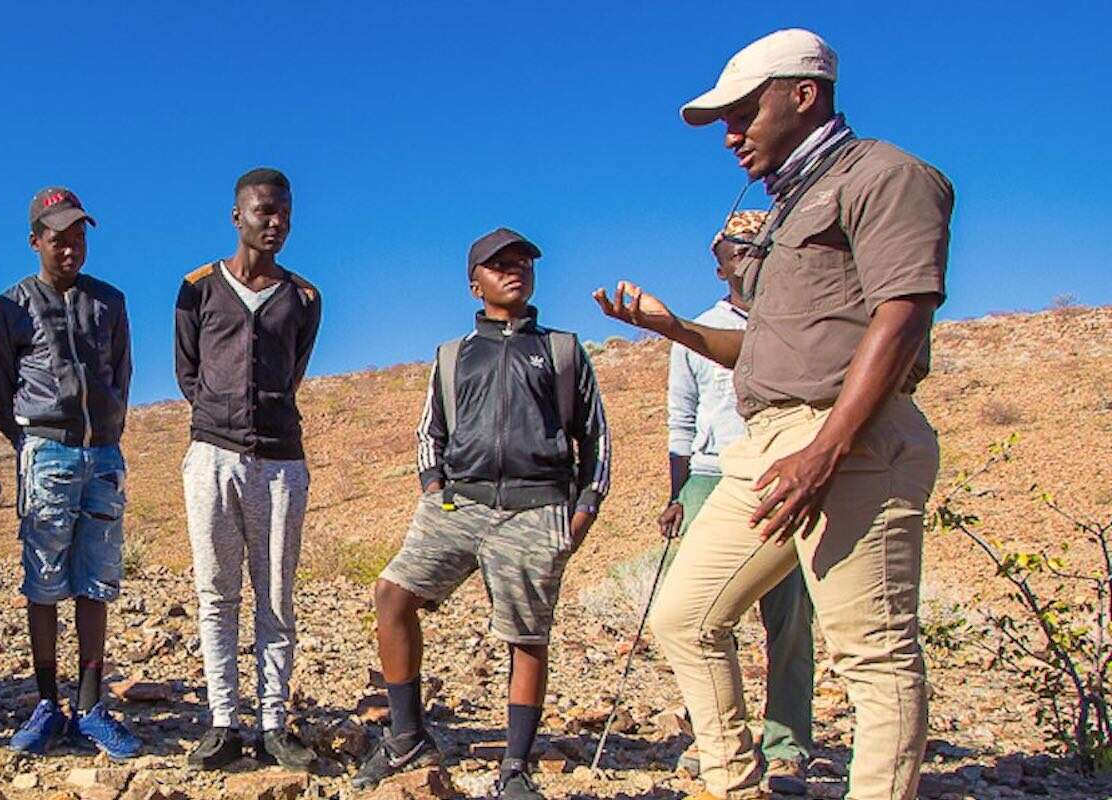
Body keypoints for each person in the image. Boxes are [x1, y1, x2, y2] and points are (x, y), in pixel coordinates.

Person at [594, 28, 953, 800]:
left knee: (873, 653)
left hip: (852, 437)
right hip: (767, 444)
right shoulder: (786, 212)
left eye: (742, 113)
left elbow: (904, 315)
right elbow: (766, 349)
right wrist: (674, 329)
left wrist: (828, 445)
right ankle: (734, 785)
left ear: (803, 93)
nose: (730, 135)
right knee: (684, 617)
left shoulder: (887, 175)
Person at [354, 228, 611, 800]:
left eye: (522, 262)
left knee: (526, 636)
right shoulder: (452, 355)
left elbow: (594, 436)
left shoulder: (563, 350)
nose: (514, 270)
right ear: (476, 284)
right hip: (458, 503)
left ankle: (516, 769)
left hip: (536, 507)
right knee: (393, 595)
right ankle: (406, 736)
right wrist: (432, 486)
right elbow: (431, 431)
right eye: (499, 265)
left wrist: (584, 511)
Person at [660, 212, 813, 796]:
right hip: (711, 477)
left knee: (790, 617)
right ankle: (717, 738)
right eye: (735, 249)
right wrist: (677, 494)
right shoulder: (697, 332)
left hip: (784, 474)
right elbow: (681, 420)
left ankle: (787, 740)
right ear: (719, 261)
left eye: (757, 247)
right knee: (694, 615)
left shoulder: (795, 321)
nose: (746, 258)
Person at [174, 168, 322, 771]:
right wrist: (221, 418)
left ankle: (273, 722)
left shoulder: (304, 298)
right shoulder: (198, 288)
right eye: (263, 211)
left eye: (284, 212)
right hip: (211, 455)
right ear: (237, 216)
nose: (275, 223)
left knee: (276, 595)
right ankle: (221, 720)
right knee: (216, 594)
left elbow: (292, 373)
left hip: (281, 462)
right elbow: (189, 372)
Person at [0, 187, 140, 760]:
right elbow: (2, 390)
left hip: (102, 455)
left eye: (79, 235)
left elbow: (121, 375)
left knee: (96, 580)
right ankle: (48, 703)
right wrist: (30, 441)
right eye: (59, 237)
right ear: (36, 241)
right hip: (46, 452)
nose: (71, 246)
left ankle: (93, 705)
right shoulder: (10, 306)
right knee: (44, 581)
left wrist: (107, 432)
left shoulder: (110, 301)